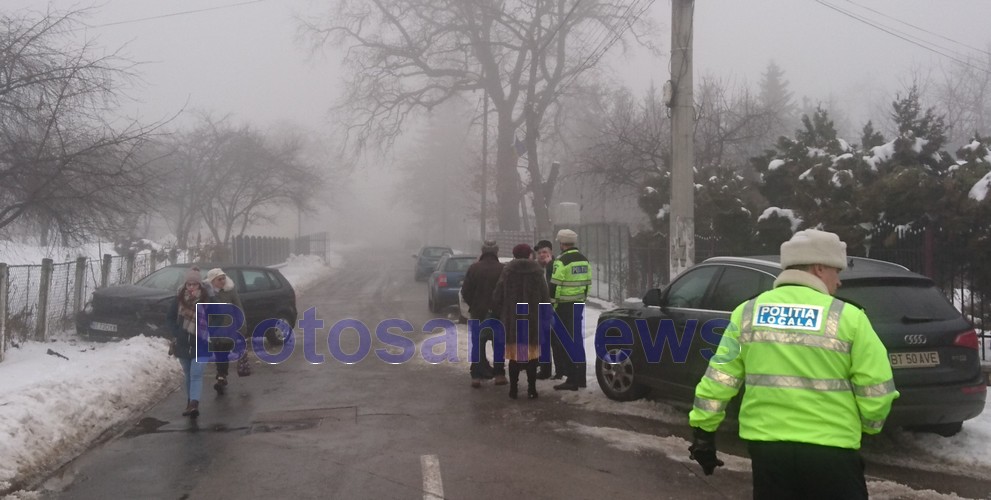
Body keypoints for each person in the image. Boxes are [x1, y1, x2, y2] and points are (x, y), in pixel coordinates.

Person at [687, 229, 899, 499]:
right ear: (819, 268)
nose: (839, 282)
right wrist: (870, 425)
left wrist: (703, 432)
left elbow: (720, 378)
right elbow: (876, 387)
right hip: (832, 451)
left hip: (769, 452)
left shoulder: (748, 313)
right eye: (838, 272)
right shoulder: (849, 317)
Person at [491, 243, 550, 399]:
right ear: (529, 254)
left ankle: (514, 390)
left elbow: (498, 295)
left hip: (513, 320)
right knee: (531, 356)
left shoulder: (508, 271)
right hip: (532, 319)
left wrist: (501, 313)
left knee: (514, 356)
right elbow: (545, 295)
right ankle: (531, 389)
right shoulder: (537, 272)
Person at [166, 267, 211, 418]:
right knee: (188, 374)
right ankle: (190, 401)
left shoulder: (207, 299)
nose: (191, 287)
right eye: (189, 284)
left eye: (194, 284)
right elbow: (170, 318)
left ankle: (194, 404)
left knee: (196, 374)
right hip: (183, 343)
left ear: (200, 285)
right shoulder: (178, 300)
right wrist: (176, 331)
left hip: (202, 343)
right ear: (185, 285)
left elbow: (218, 316)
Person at [461, 240, 506, 388]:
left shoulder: (473, 268)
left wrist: (474, 305)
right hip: (498, 314)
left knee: (478, 344)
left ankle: (476, 376)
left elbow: (465, 291)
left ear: (482, 251)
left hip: (478, 313)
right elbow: (507, 291)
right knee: (498, 344)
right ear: (496, 252)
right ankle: (499, 375)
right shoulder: (503, 269)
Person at [550, 229, 592, 391]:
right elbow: (588, 283)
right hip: (578, 305)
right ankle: (580, 377)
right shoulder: (584, 260)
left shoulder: (561, 261)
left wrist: (553, 305)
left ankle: (571, 379)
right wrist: (582, 299)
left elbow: (555, 285)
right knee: (577, 340)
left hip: (563, 307)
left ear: (561, 243)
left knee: (566, 341)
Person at [205, 268, 245, 395]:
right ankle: (221, 375)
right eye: (219, 279)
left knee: (224, 352)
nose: (222, 281)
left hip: (229, 328)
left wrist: (242, 327)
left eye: (223, 278)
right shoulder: (207, 294)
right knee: (218, 352)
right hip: (214, 329)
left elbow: (239, 308)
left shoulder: (230, 291)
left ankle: (221, 376)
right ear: (212, 281)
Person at [532, 239, 556, 380]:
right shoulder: (534, 268)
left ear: (551, 253)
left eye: (544, 252)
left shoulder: (556, 266)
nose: (541, 255)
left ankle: (560, 370)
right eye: (539, 252)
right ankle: (544, 368)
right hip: (539, 308)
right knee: (543, 340)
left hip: (554, 307)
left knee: (556, 341)